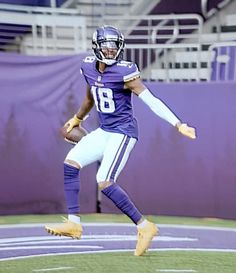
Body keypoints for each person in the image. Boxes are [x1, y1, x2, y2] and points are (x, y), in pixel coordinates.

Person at [45, 25, 196, 256]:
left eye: (114, 46)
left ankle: (145, 227)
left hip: (123, 132)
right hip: (105, 130)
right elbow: (90, 97)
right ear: (96, 47)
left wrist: (178, 124)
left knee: (104, 181)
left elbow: (151, 101)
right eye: (105, 46)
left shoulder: (126, 72)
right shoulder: (88, 67)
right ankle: (74, 224)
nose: (109, 51)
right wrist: (77, 119)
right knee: (70, 163)